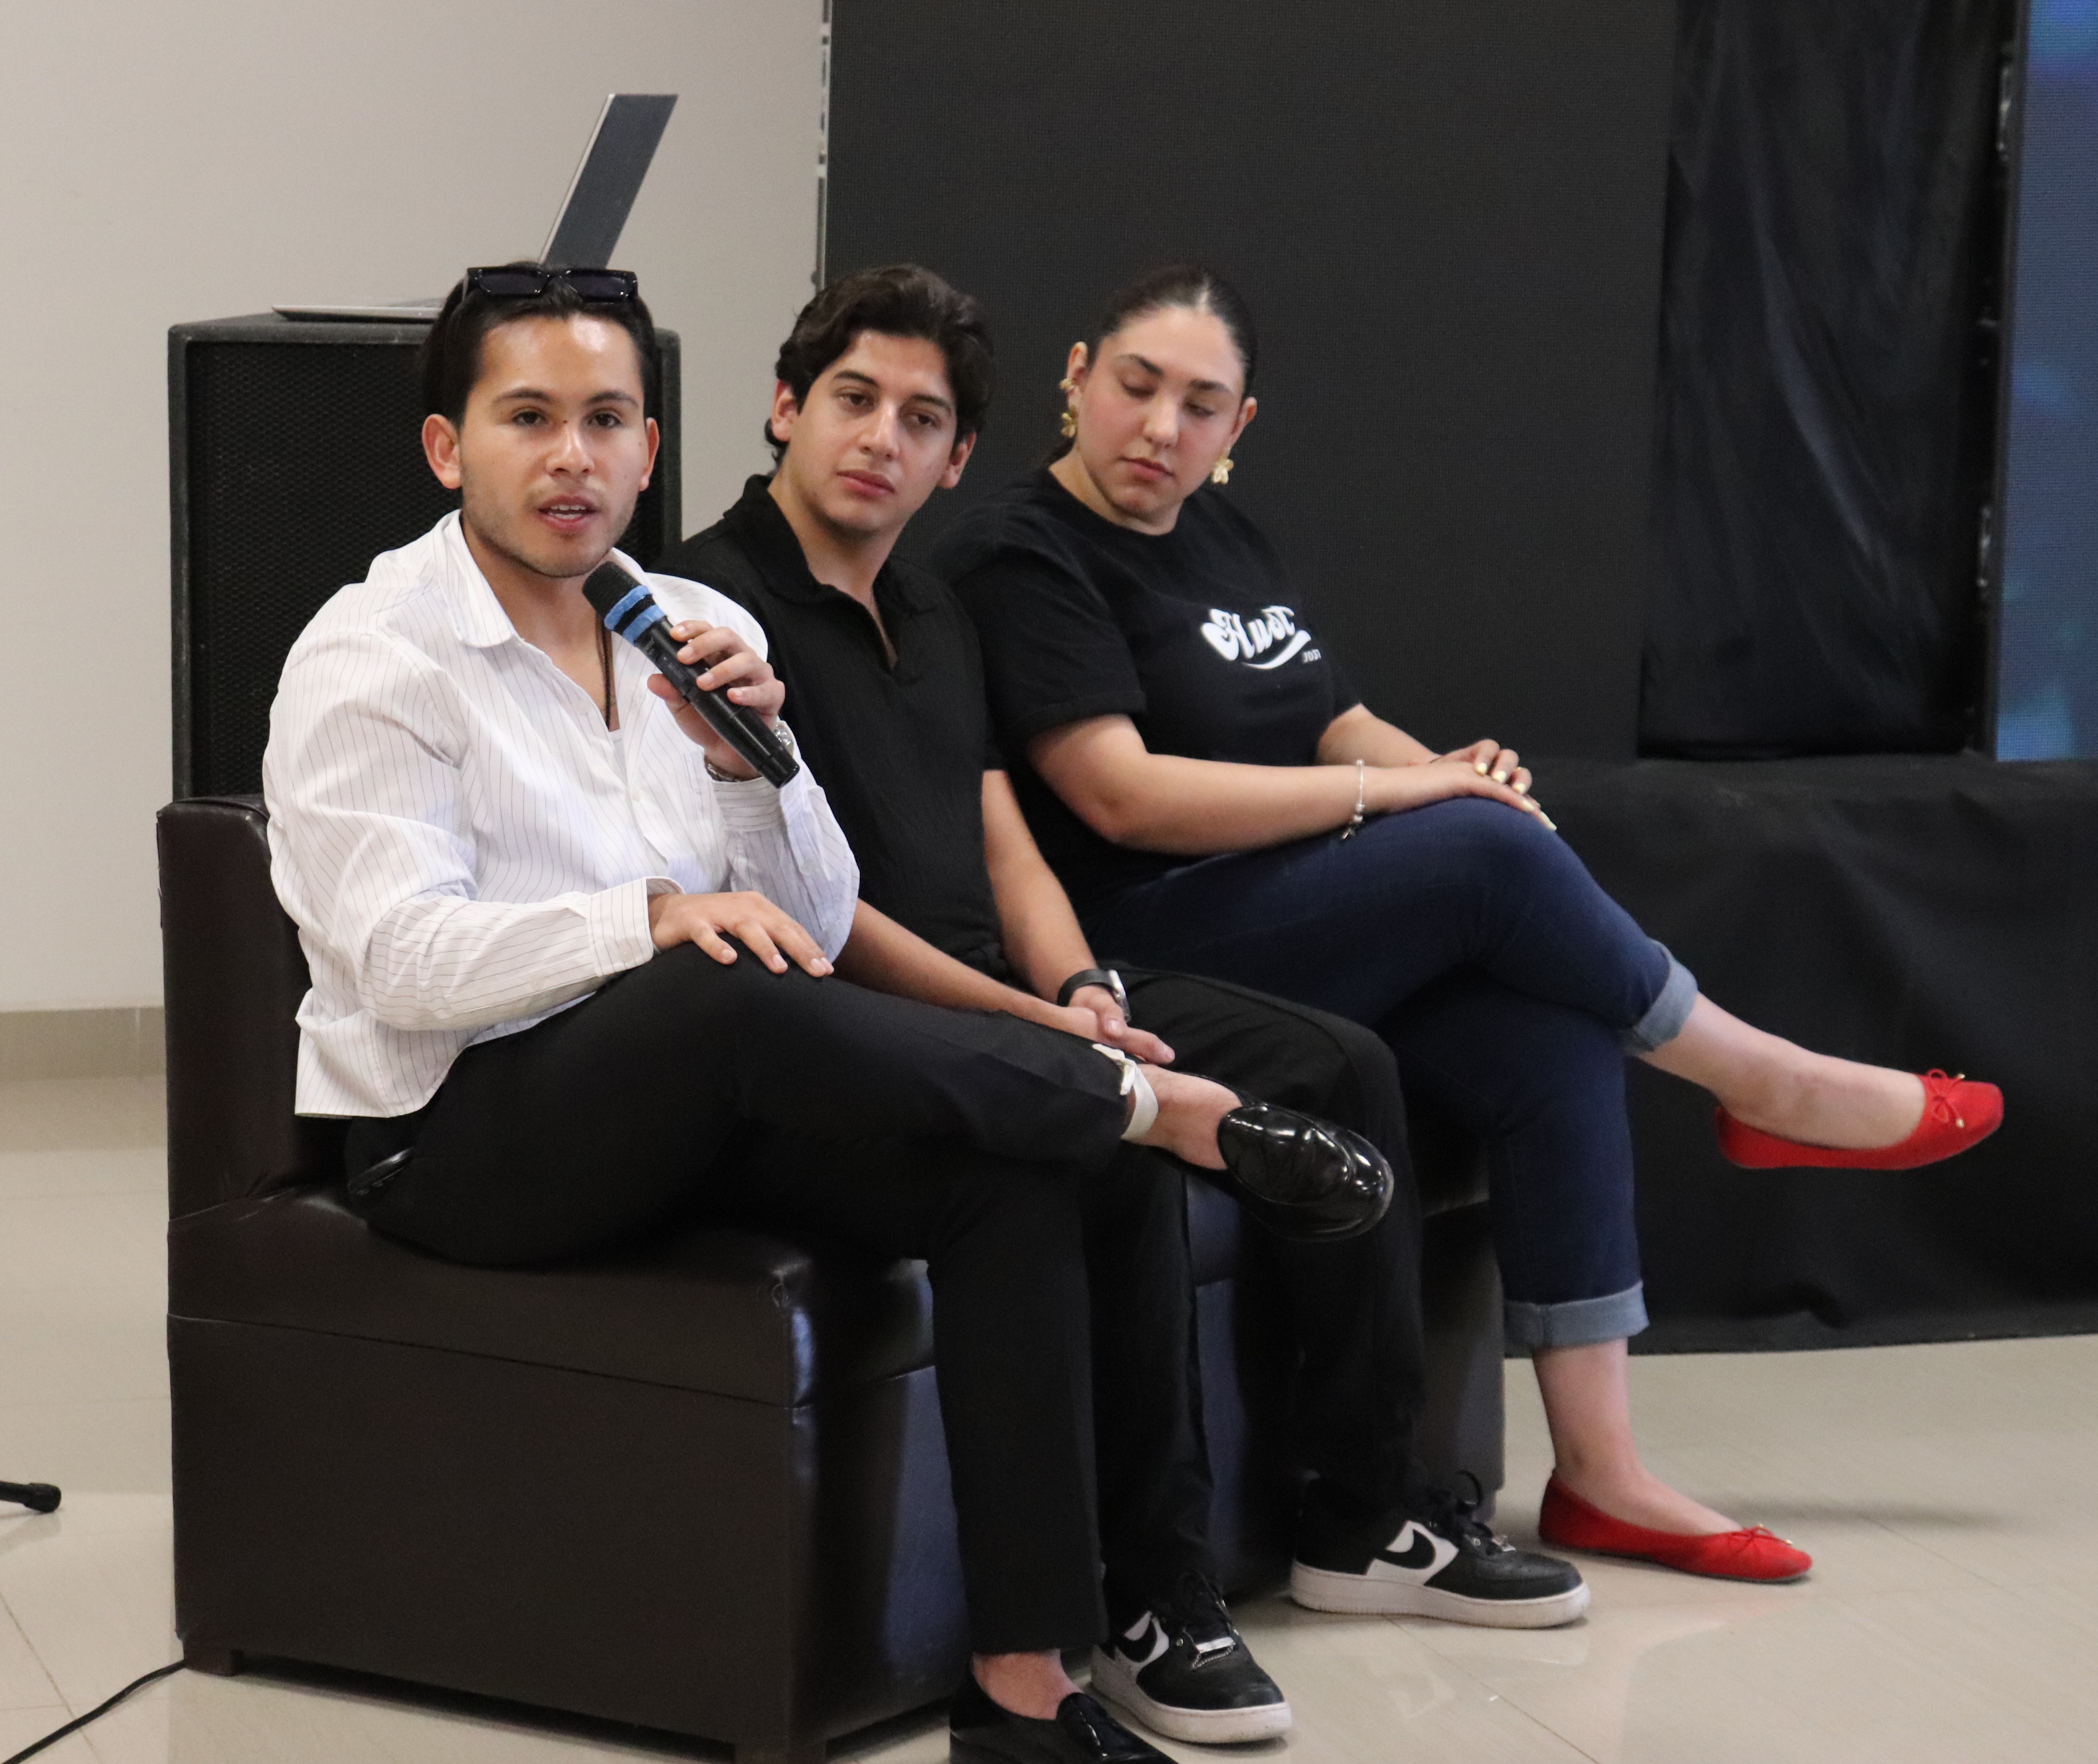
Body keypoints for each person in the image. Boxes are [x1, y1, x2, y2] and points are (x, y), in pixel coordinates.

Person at [259, 263, 1386, 1764]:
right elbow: (401, 959)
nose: (573, 457)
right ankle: (1151, 1102)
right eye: (527, 418)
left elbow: (820, 910)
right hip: (460, 1134)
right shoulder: (371, 653)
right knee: (711, 979)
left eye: (607, 420)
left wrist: (751, 766)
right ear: (446, 447)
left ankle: (1025, 1690)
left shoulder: (689, 621)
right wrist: (648, 916)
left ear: (651, 448)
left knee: (1026, 1170)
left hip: (688, 1100)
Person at [937, 264, 2007, 1583]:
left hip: (1280, 911)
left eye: (1200, 405)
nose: (1160, 427)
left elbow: (1330, 719)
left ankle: (1603, 1473)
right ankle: (1767, 1080)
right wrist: (1414, 799)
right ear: (1077, 376)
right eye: (1136, 386)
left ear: (1240, 425)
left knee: (1549, 1032)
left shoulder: (1222, 536)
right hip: (1143, 942)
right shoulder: (1022, 551)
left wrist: (1451, 772)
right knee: (1482, 851)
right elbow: (1122, 793)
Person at [670, 264, 1591, 1749]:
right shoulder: (714, 609)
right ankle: (1157, 1597)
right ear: (785, 406)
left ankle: (1367, 1515)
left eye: (921, 420)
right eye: (852, 400)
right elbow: (809, 906)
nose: (881, 440)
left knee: (1341, 1065)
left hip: (1014, 985)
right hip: (871, 1009)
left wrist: (1078, 985)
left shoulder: (931, 598)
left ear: (958, 457)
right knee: (1109, 1139)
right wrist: (1036, 1027)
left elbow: (998, 835)